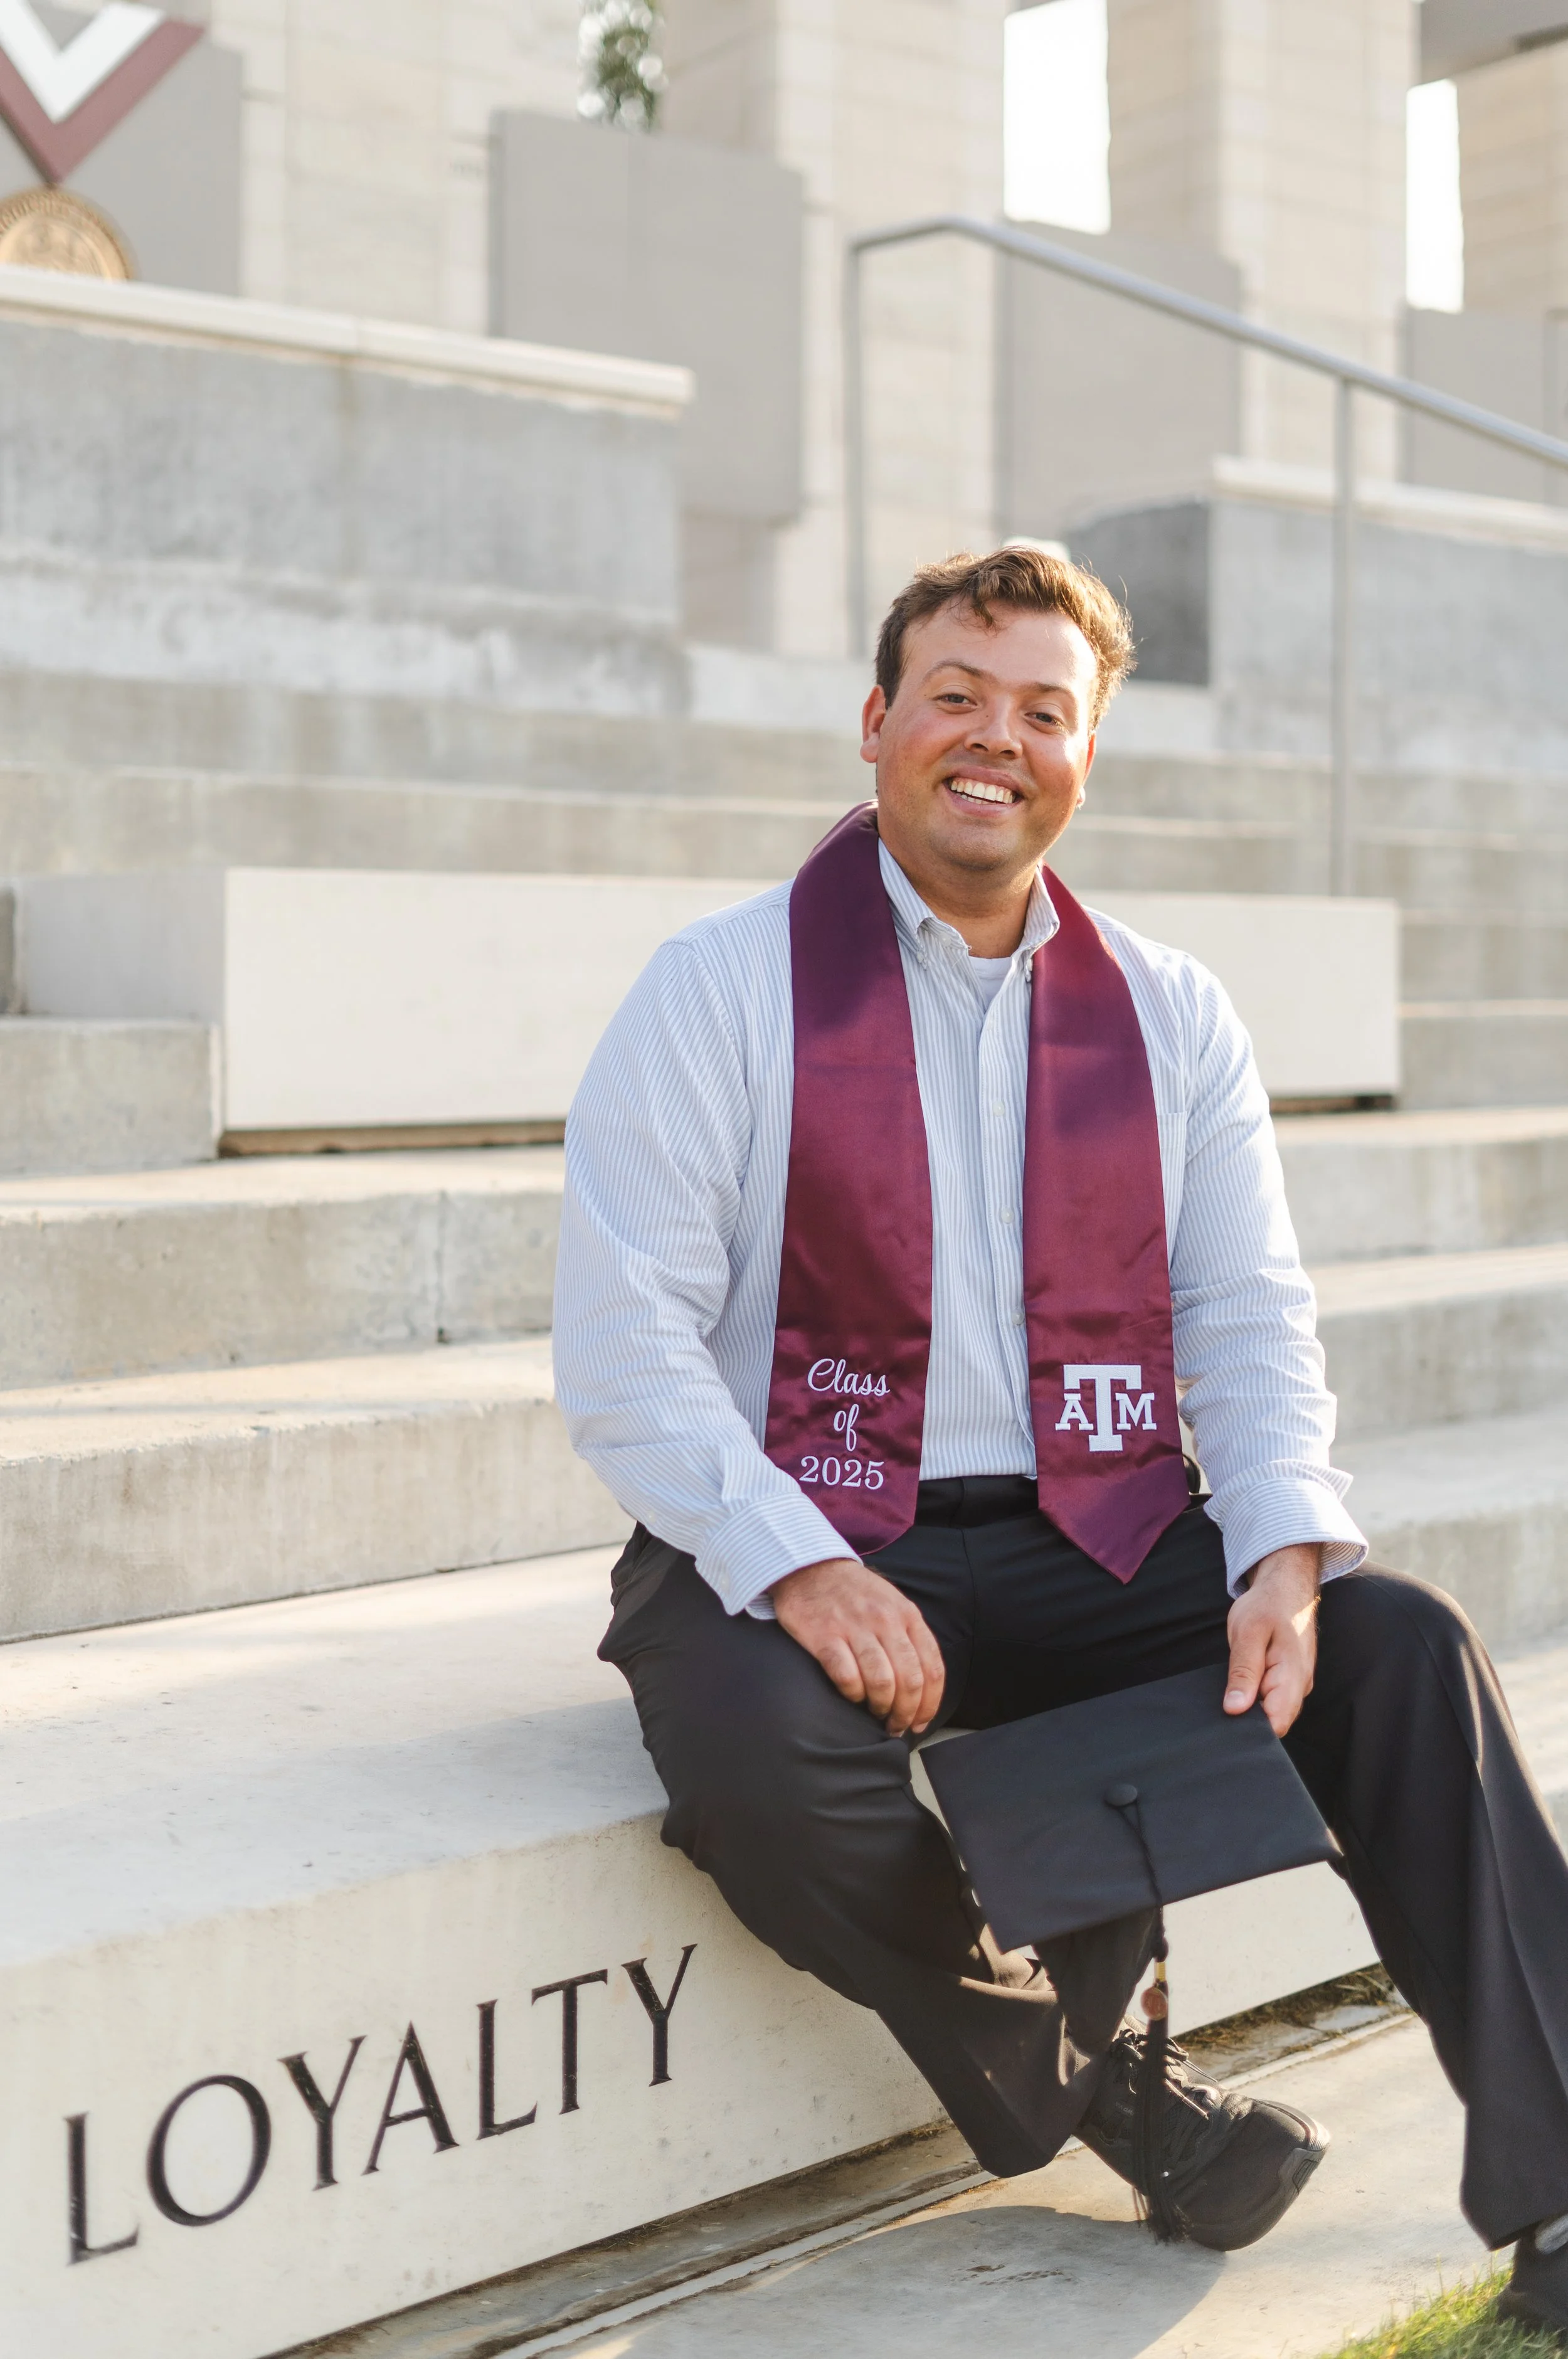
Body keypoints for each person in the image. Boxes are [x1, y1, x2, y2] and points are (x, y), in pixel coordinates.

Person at [554, 546, 1568, 2323]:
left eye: (1043, 711)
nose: (993, 740)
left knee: (1399, 1652)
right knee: (753, 1755)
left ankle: (1560, 2194)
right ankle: (1095, 2084)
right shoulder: (717, 992)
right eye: (955, 694)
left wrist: (1274, 1550)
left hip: (1092, 1521)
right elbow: (621, 1341)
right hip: (796, 1509)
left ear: (1083, 756)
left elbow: (1245, 1317)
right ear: (875, 725)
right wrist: (796, 1564)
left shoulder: (1167, 1015)